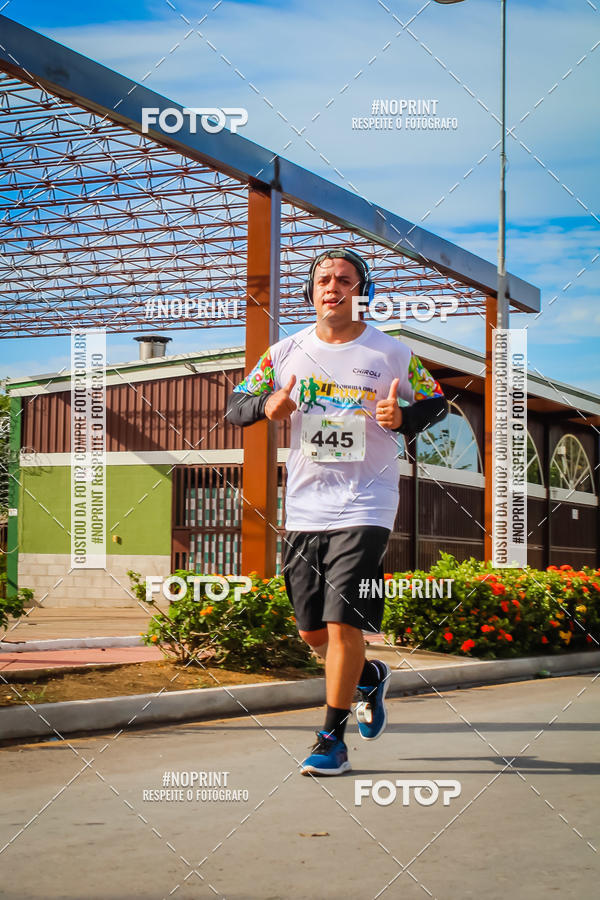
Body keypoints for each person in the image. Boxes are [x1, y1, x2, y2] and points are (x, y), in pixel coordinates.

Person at [227, 248, 447, 776]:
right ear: (310, 292)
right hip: (305, 505)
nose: (333, 287)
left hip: (368, 501)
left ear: (361, 291)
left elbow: (437, 401)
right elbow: (237, 407)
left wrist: (404, 416)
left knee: (342, 617)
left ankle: (331, 739)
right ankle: (368, 676)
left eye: (345, 280)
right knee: (311, 633)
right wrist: (266, 406)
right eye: (324, 279)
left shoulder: (393, 353)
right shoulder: (284, 352)